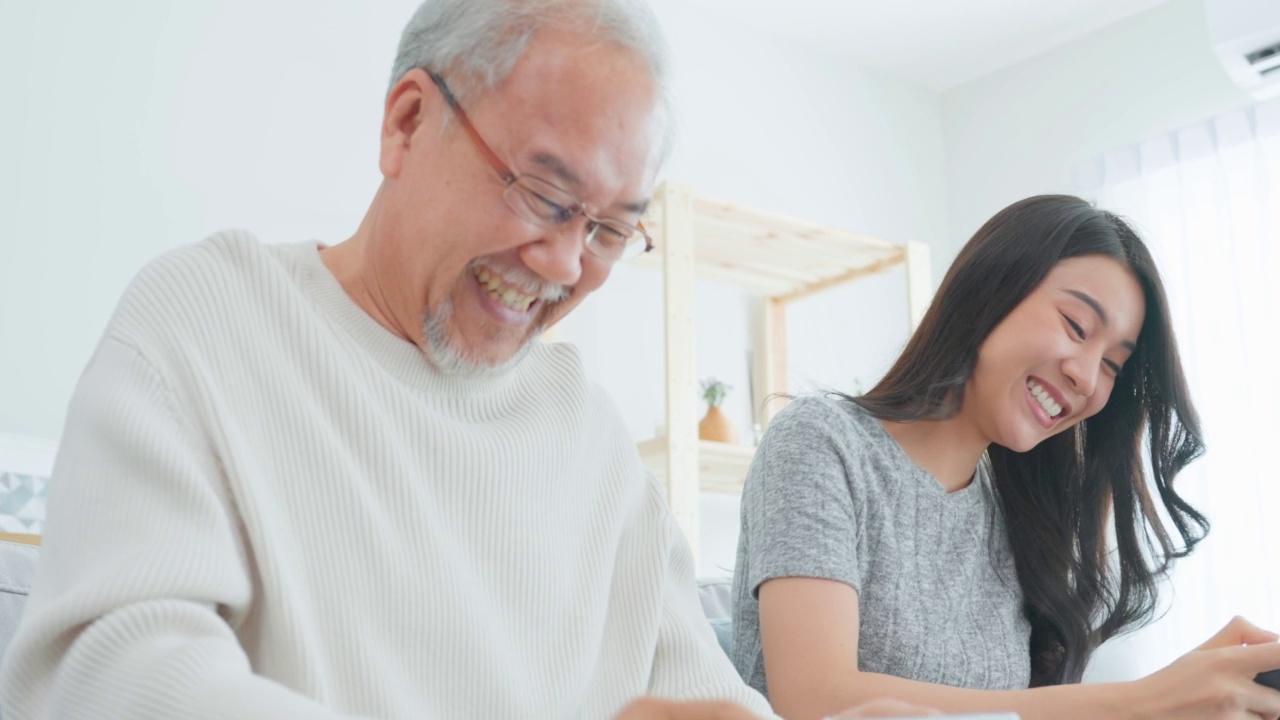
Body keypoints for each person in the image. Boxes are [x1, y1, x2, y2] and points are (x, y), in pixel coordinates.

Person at [0, 1, 941, 719]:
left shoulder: (586, 432)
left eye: (612, 231)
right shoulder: (208, 320)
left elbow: (703, 698)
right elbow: (110, 672)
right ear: (407, 123)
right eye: (543, 194)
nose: (569, 266)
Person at [730, 194, 1280, 720]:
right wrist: (1140, 703)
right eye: (1077, 326)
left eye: (1113, 364)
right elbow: (813, 699)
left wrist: (1185, 694)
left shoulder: (1021, 514)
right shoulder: (821, 442)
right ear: (990, 288)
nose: (1086, 378)